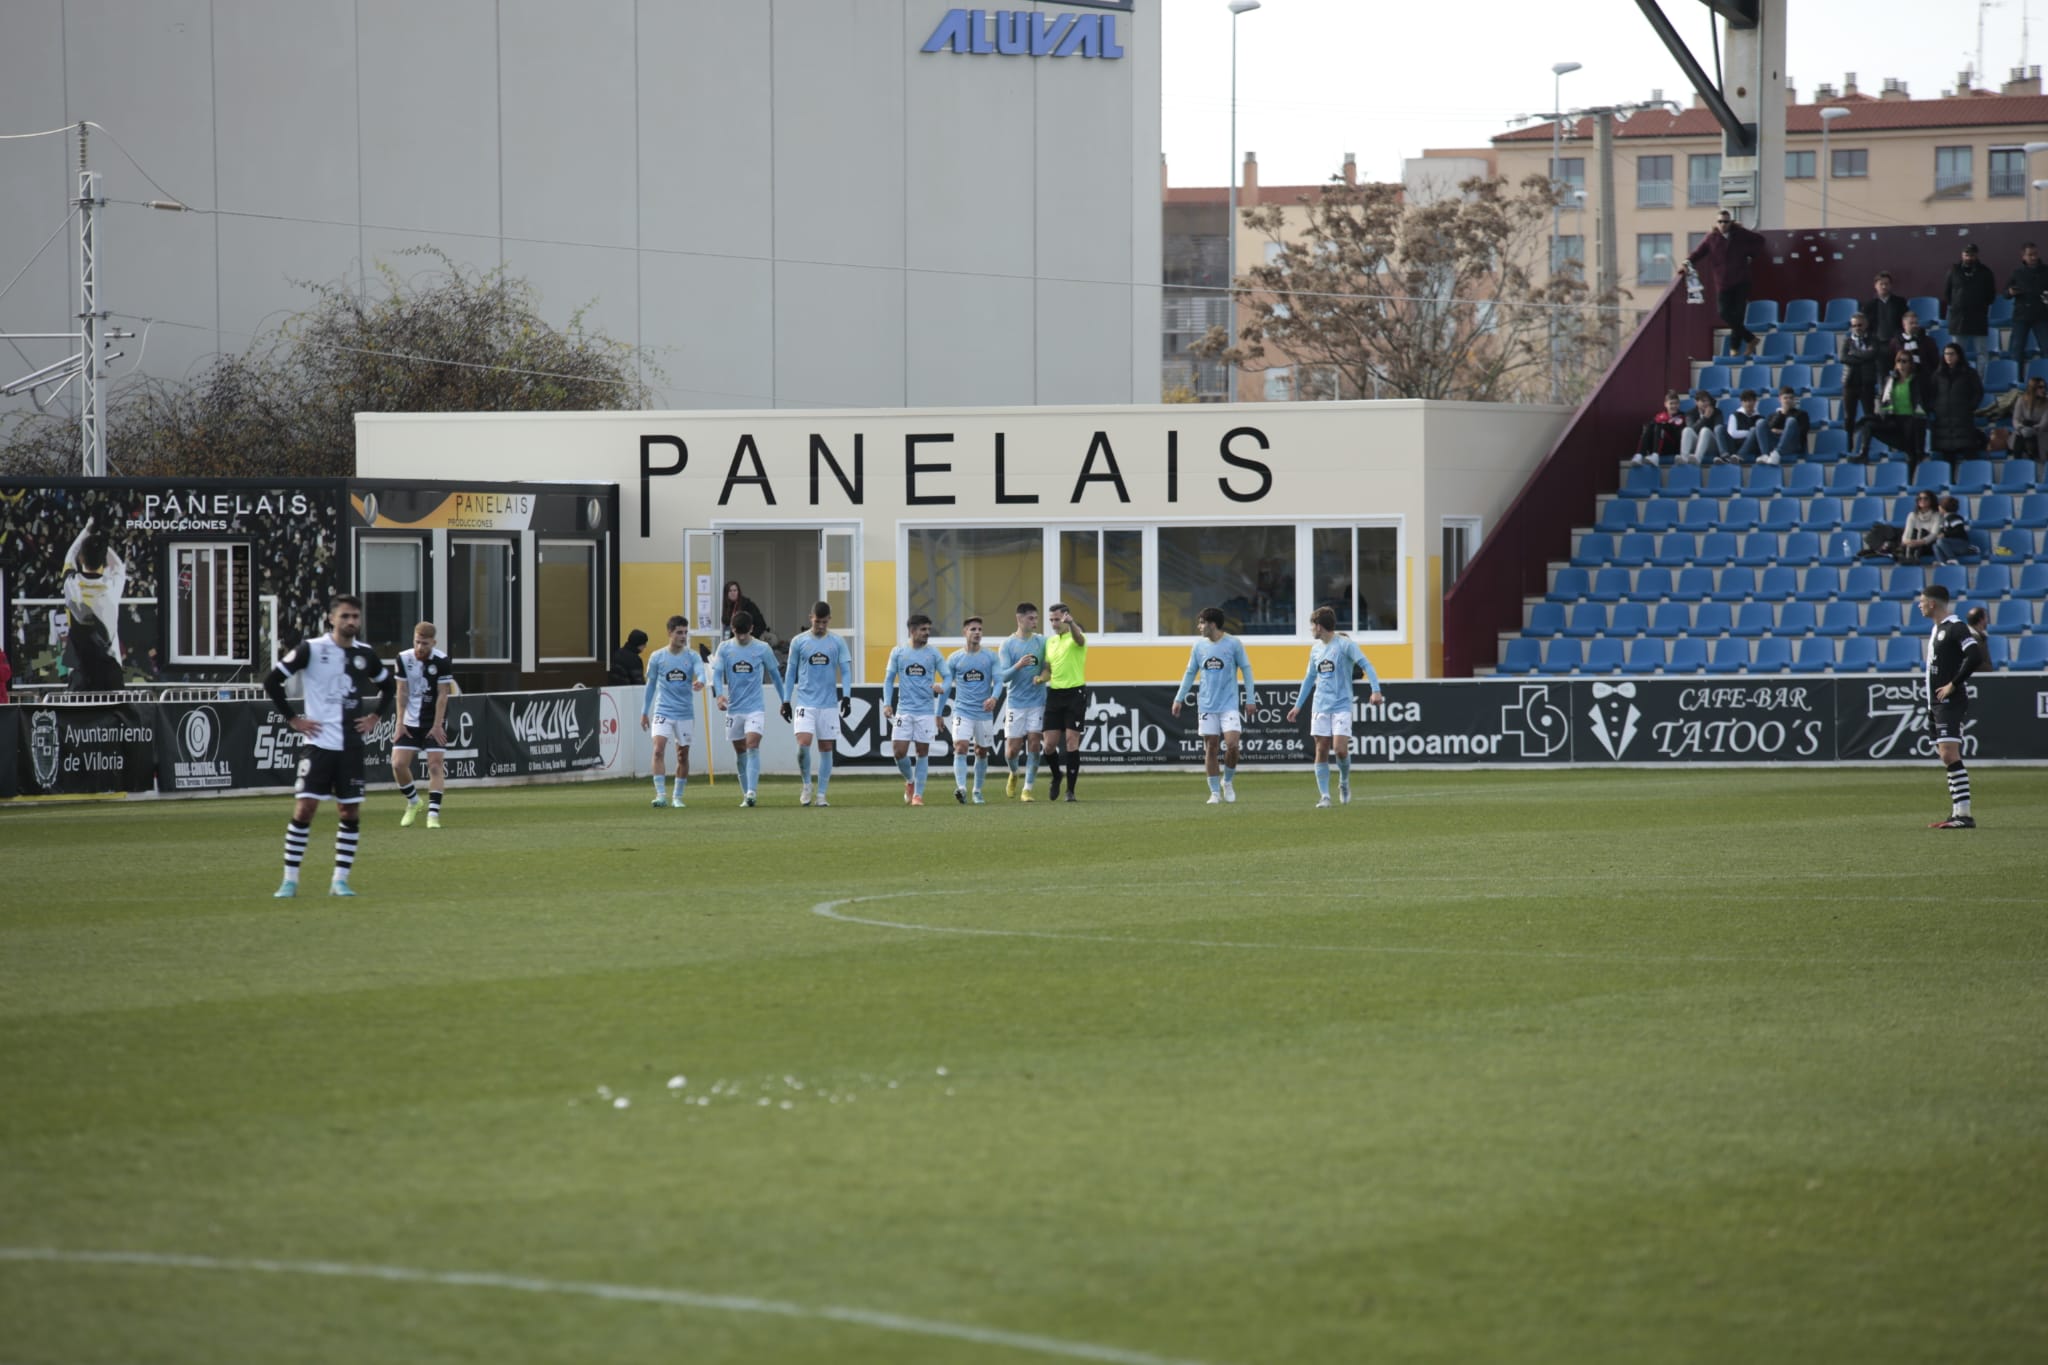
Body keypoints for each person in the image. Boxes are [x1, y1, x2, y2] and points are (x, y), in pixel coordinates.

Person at [263, 594, 395, 898]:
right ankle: (290, 881)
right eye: (345, 616)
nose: (351, 622)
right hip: (318, 744)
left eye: (355, 617)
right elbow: (272, 681)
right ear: (331, 618)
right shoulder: (311, 649)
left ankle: (339, 881)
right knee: (305, 807)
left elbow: (389, 685)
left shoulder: (365, 655)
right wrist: (292, 718)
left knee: (349, 811)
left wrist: (375, 715)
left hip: (350, 746)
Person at [1286, 606, 1385, 808]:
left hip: (1341, 705)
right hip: (1320, 705)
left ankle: (1344, 781)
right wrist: (1298, 706)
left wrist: (1376, 690)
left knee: (1340, 749)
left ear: (1319, 626)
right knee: (1321, 748)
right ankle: (1324, 796)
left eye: (1312, 625)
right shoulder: (1315, 650)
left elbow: (1367, 665)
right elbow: (1309, 679)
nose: (1311, 630)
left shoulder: (1345, 645)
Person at [1171, 606, 1256, 805]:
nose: (1198, 627)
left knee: (1233, 745)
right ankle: (1214, 792)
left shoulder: (1233, 644)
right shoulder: (1199, 647)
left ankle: (1227, 781)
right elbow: (1190, 673)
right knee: (1211, 747)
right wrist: (1179, 698)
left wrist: (1250, 699)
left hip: (1229, 704)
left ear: (1212, 624)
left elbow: (1246, 669)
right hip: (1207, 705)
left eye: (1201, 623)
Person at [1915, 583, 1982, 829]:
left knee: (1949, 753)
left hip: (1949, 700)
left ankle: (1964, 814)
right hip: (1935, 702)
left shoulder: (1955, 628)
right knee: (1945, 755)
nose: (1919, 605)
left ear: (1932, 603)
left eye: (1922, 601)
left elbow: (1975, 656)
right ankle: (1957, 813)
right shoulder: (1938, 629)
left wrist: (1953, 684)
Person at [708, 609, 786, 808]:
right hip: (734, 709)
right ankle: (746, 794)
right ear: (732, 629)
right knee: (740, 750)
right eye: (737, 632)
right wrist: (718, 695)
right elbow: (717, 674)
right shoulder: (725, 648)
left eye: (745, 632)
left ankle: (752, 792)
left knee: (752, 744)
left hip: (755, 708)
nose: (741, 637)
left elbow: (775, 676)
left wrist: (784, 700)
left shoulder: (762, 648)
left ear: (751, 629)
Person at [784, 602, 852, 808]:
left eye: (824, 622)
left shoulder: (837, 642)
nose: (820, 625)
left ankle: (822, 794)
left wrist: (847, 696)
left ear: (829, 620)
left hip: (829, 704)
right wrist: (786, 700)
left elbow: (846, 670)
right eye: (817, 621)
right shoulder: (799, 642)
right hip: (806, 702)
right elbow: (790, 671)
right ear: (810, 617)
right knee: (803, 745)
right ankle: (807, 784)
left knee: (826, 747)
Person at [391, 621, 454, 829]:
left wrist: (437, 726)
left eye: (425, 644)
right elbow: (401, 691)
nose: (420, 647)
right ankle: (414, 802)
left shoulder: (442, 660)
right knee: (398, 764)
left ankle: (433, 815)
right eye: (417, 642)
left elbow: (443, 694)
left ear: (433, 643)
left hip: (432, 719)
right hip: (409, 720)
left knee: (435, 764)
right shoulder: (403, 658)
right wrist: (399, 723)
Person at [881, 614, 945, 807]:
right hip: (904, 710)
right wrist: (886, 703)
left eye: (928, 629)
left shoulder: (933, 653)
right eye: (923, 629)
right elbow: (889, 679)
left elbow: (948, 676)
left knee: (922, 751)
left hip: (925, 711)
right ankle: (910, 780)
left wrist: (942, 686)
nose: (927, 633)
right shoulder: (899, 652)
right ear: (912, 631)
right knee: (898, 751)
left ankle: (918, 795)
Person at [1686, 210, 1768, 356]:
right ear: (1716, 223)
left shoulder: (1740, 234)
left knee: (1738, 316)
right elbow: (1698, 252)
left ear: (1730, 222)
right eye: (1720, 221)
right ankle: (1750, 339)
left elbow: (1760, 240)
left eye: (1726, 221)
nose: (1723, 224)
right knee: (1724, 313)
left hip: (1741, 281)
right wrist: (1687, 262)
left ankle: (1734, 349)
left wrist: (1751, 254)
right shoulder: (1711, 238)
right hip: (1723, 283)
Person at [641, 614, 701, 809]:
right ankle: (660, 795)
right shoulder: (657, 657)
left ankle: (678, 796)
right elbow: (650, 686)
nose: (683, 636)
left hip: (684, 712)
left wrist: (700, 680)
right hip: (663, 710)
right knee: (658, 749)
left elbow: (701, 671)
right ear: (670, 633)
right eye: (679, 632)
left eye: (685, 632)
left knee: (682, 756)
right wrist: (644, 711)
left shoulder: (691, 656)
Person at [941, 616, 1003, 804]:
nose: (977, 633)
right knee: (960, 747)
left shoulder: (991, 656)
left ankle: (977, 790)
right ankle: (961, 788)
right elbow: (946, 685)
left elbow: (999, 681)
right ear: (964, 632)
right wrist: (938, 711)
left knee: (981, 751)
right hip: (962, 711)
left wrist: (994, 697)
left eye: (980, 630)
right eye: (973, 629)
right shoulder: (954, 658)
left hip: (983, 712)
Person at [62, 516, 127, 691]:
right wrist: (101, 540)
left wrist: (88, 530)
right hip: (110, 669)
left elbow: (70, 556)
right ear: (103, 561)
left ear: (81, 559)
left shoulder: (71, 584)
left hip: (79, 670)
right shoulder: (112, 586)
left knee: (77, 718)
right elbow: (119, 566)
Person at [998, 602, 1049, 803]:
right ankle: (1014, 773)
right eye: (1031, 618)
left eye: (1036, 618)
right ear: (1020, 619)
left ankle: (1027, 789)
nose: (1035, 622)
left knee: (1035, 743)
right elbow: (1003, 677)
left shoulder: (1042, 642)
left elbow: (1047, 667)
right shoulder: (1008, 645)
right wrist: (1018, 665)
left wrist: (1042, 678)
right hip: (1016, 703)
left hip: (1037, 701)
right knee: (1012, 750)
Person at [1041, 602, 1089, 802]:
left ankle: (1070, 790)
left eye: (1057, 619)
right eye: (1051, 619)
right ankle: (1056, 775)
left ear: (1066, 617)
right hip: (1055, 694)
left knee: (1071, 741)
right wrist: (1040, 678)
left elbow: (1078, 639)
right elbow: (1047, 669)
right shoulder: (1050, 643)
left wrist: (1073, 624)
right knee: (1049, 745)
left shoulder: (1077, 636)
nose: (1054, 623)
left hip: (1075, 693)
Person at [1855, 354, 1930, 467]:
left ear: (1910, 364)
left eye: (1904, 361)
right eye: (1898, 361)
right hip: (1894, 420)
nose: (1901, 364)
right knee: (1868, 424)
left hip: (1911, 420)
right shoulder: (1890, 381)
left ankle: (1912, 475)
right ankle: (1863, 454)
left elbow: (1922, 401)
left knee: (1912, 452)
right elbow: (1885, 400)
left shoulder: (1916, 380)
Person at [1927, 344, 1985, 464]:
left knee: (1970, 456)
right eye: (1946, 354)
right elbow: (1931, 394)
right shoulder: (1937, 375)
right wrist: (1936, 408)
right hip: (1943, 423)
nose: (1948, 357)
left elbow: (1977, 392)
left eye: (1951, 354)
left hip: (1963, 421)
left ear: (1958, 355)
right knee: (1948, 462)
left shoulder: (1969, 373)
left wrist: (1969, 407)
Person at [1943, 242, 1997, 368]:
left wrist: (1980, 305)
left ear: (1976, 255)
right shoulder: (1954, 270)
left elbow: (1991, 295)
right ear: (1962, 255)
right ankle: (1958, 376)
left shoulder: (1985, 272)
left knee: (1982, 352)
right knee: (1957, 352)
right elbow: (1947, 292)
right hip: (1959, 318)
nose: (1969, 258)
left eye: (1972, 255)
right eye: (1966, 254)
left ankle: (1980, 380)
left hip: (1978, 317)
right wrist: (1957, 305)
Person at [1732, 385, 1810, 466]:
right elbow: (1767, 430)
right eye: (1785, 398)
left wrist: (1780, 431)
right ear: (1780, 399)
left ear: (1794, 399)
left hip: (1791, 445)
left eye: (1791, 398)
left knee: (1791, 421)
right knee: (1760, 422)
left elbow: (1802, 432)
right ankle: (1765, 455)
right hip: (1774, 444)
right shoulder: (1774, 415)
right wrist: (1782, 413)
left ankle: (1777, 453)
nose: (1788, 400)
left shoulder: (1802, 414)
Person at [1839, 310, 1886, 438]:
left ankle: (1866, 445)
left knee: (1868, 415)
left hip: (1867, 383)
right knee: (1849, 416)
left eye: (1859, 325)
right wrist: (1863, 358)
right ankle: (1848, 443)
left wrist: (1854, 352)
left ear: (1865, 325)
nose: (1857, 328)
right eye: (1854, 325)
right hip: (1850, 383)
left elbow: (1872, 354)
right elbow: (1843, 358)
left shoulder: (1873, 339)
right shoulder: (1847, 341)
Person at [2004, 241, 2048, 364]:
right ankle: (2017, 378)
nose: (2034, 257)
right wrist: (2011, 292)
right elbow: (2005, 294)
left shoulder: (2046, 271)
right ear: (2023, 256)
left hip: (2041, 315)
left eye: (2035, 254)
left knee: (2046, 347)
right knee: (2016, 349)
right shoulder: (2017, 273)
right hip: (2021, 315)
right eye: (2030, 255)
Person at [1630, 391, 1685, 466]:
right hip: (1657, 445)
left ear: (1679, 404)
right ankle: (1639, 455)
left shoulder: (1682, 417)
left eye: (1676, 403)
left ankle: (1655, 455)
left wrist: (1666, 425)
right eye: (1671, 403)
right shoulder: (1660, 416)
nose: (1674, 406)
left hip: (1672, 447)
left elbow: (1678, 436)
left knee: (1660, 426)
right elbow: (1651, 428)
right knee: (1649, 426)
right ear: (1665, 404)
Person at [1716, 389, 1764, 463]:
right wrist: (1750, 433)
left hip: (1751, 446)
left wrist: (1752, 432)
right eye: (1745, 401)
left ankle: (1740, 456)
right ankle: (1725, 456)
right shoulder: (1735, 415)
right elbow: (1732, 433)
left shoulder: (1760, 418)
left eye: (1750, 401)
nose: (1748, 403)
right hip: (1735, 445)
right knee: (1719, 428)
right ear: (1741, 403)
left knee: (1754, 430)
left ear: (1755, 402)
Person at [1676, 389, 1722, 465]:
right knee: (1687, 430)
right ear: (1696, 402)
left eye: (1707, 401)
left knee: (1705, 430)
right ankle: (1684, 458)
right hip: (1696, 444)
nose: (1706, 403)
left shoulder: (1717, 412)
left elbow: (1718, 430)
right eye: (1703, 401)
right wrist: (1705, 418)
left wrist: (1708, 418)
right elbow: (1692, 430)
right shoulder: (1690, 413)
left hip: (1712, 445)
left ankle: (1697, 458)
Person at [2011, 375, 2048, 466]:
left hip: (2041, 432)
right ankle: (2019, 461)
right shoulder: (2021, 400)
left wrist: (2034, 429)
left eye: (2044, 387)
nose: (2043, 389)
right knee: (2024, 427)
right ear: (2033, 388)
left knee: (2029, 427)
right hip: (2024, 430)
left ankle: (2029, 457)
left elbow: (2044, 422)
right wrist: (2020, 428)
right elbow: (2016, 419)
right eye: (2040, 387)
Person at [1864, 271, 1908, 348]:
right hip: (1877, 343)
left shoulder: (1900, 302)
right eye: (1881, 284)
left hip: (1897, 342)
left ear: (1890, 285)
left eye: (1886, 284)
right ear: (1875, 286)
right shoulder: (1869, 305)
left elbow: (1905, 321)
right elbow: (1867, 326)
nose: (1884, 286)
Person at [1897, 490, 1943, 562]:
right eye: (1920, 498)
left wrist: (1919, 542)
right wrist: (1908, 541)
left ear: (1931, 500)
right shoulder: (1912, 515)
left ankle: (1913, 558)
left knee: (1923, 532)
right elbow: (1907, 533)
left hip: (1928, 544)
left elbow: (1933, 534)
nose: (1922, 500)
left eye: (1926, 498)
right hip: (1913, 543)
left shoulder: (1937, 515)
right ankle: (1910, 558)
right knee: (1914, 533)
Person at [1892, 311, 1939, 376]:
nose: (1914, 325)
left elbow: (1935, 362)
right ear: (1904, 325)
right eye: (1911, 323)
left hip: (1923, 376)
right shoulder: (1896, 342)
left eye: (1916, 323)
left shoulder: (1928, 341)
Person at [1930, 495, 1974, 564]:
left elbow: (1958, 531)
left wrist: (1944, 534)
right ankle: (1942, 562)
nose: (1938, 508)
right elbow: (1942, 531)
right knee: (1935, 545)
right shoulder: (1943, 520)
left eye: (1939, 506)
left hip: (1961, 545)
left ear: (1943, 508)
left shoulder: (1954, 518)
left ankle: (1952, 558)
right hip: (1950, 545)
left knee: (1941, 541)